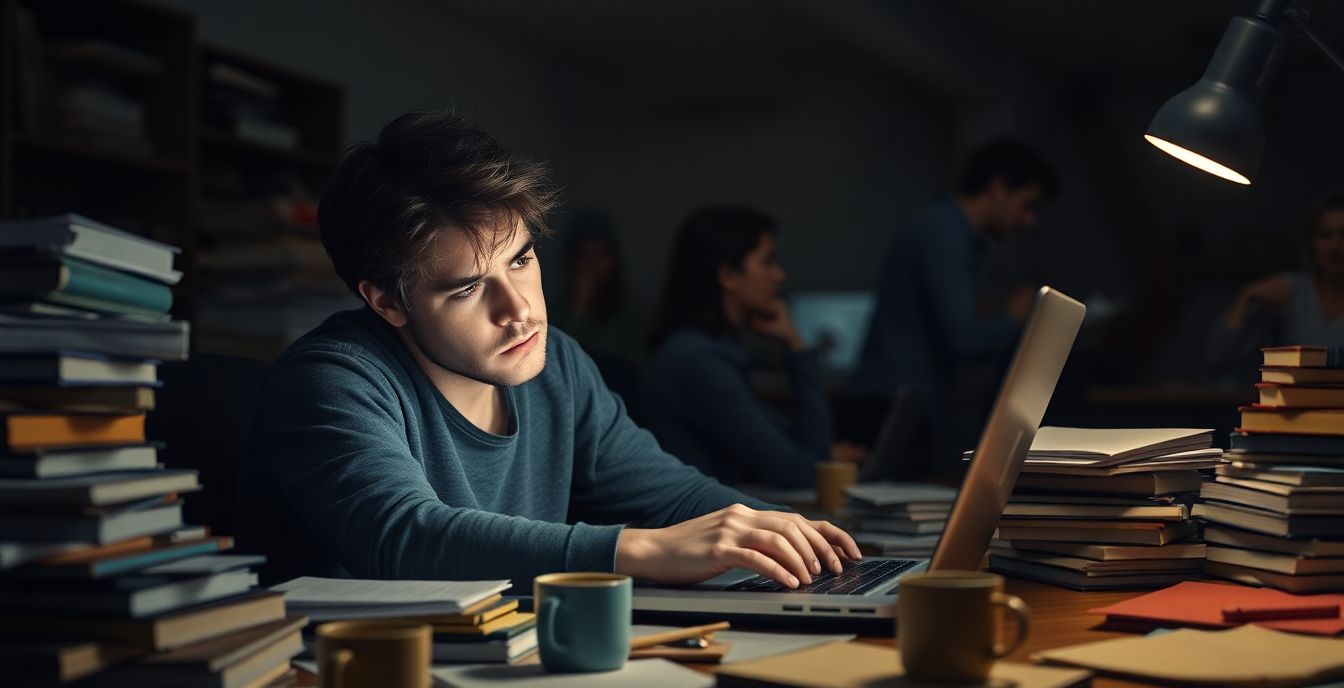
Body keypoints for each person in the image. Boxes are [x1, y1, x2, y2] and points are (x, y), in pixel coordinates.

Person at [238, 111, 860, 592]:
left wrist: (810, 543)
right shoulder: (331, 380)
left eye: (522, 259)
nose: (521, 310)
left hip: (519, 659)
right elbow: (404, 538)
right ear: (387, 303)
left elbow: (671, 495)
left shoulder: (553, 360)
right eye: (467, 289)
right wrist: (640, 550)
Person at [847, 138, 1057, 469]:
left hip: (899, 399)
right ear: (998, 188)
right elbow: (964, 340)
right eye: (1026, 204)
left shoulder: (948, 232)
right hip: (891, 402)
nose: (1029, 220)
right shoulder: (944, 233)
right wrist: (1016, 317)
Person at [642, 207, 859, 490]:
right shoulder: (697, 363)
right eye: (767, 262)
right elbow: (804, 474)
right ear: (729, 275)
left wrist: (821, 457)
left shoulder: (708, 352)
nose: (779, 275)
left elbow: (801, 453)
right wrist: (796, 346)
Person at [1208, 192, 1344, 369]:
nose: (1335, 246)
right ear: (1311, 242)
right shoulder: (1289, 290)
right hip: (1290, 396)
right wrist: (1247, 297)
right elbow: (1219, 354)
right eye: (1325, 235)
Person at [550, 211, 644, 407]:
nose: (591, 263)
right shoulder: (554, 309)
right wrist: (579, 305)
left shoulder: (631, 310)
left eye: (599, 253)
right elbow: (558, 365)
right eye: (583, 255)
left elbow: (634, 368)